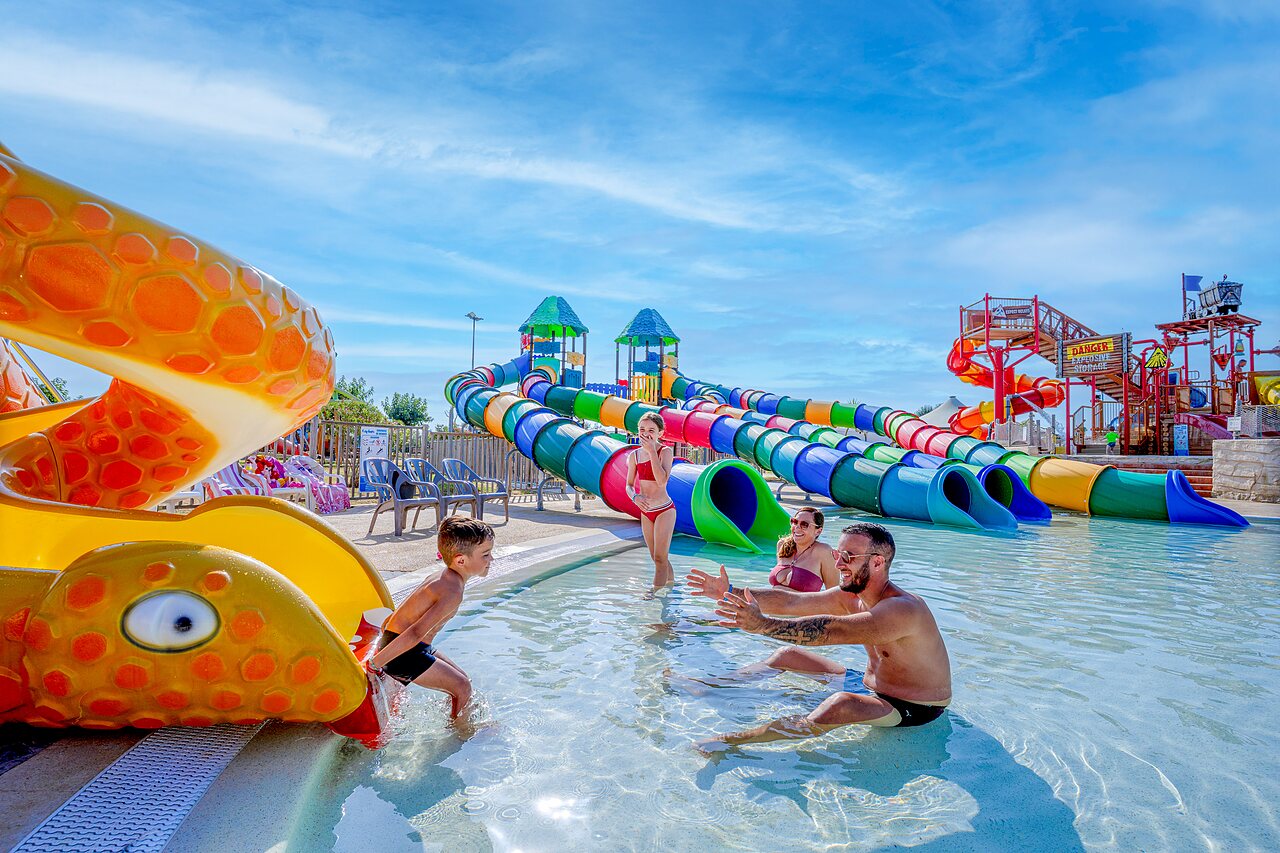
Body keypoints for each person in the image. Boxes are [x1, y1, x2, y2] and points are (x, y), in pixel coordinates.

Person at [683, 522, 951, 751]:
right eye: (837, 554)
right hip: (870, 685)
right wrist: (730, 591)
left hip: (914, 705)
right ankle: (713, 685)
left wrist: (763, 625)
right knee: (787, 656)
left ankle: (729, 742)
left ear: (878, 562)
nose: (838, 563)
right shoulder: (851, 596)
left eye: (848, 556)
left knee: (841, 704)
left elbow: (832, 630)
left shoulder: (902, 609)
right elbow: (792, 602)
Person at [369, 515, 494, 717]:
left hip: (409, 646)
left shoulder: (443, 576)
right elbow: (416, 631)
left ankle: (453, 717)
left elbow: (400, 614)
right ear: (461, 560)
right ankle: (460, 734)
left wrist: (382, 641)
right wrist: (375, 664)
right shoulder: (452, 591)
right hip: (401, 653)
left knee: (463, 680)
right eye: (486, 555)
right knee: (462, 687)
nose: (491, 560)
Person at [627, 411, 676, 595]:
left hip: (664, 510)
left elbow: (662, 480)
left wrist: (651, 452)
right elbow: (629, 485)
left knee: (660, 557)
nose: (646, 433)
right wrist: (634, 497)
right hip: (646, 511)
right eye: (642, 429)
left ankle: (655, 595)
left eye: (651, 430)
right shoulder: (634, 456)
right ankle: (671, 585)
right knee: (656, 557)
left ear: (660, 433)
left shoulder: (665, 452)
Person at [770, 506, 839, 592]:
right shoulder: (782, 545)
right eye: (794, 522)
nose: (797, 527)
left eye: (804, 525)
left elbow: (834, 594)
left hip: (804, 605)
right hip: (771, 605)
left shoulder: (823, 551)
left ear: (818, 531)